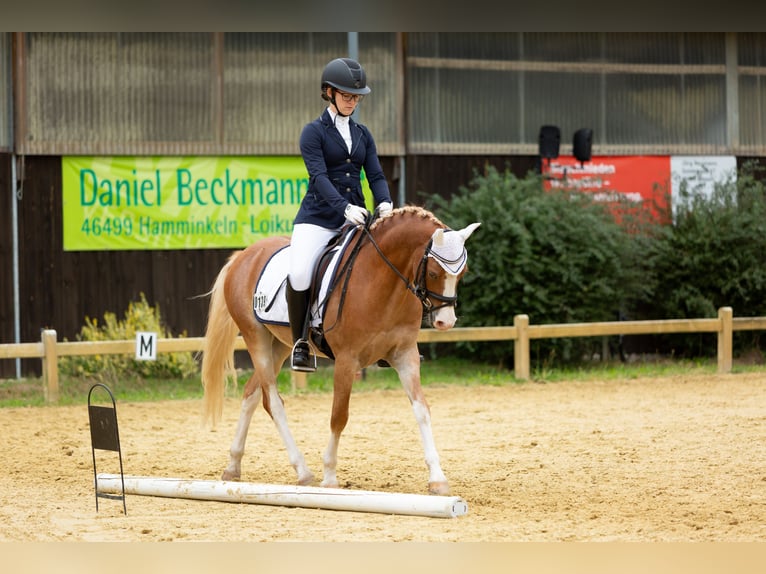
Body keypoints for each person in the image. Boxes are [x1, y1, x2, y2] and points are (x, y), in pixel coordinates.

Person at [286, 57, 393, 372]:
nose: (353, 101)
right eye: (347, 95)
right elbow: (319, 177)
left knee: (383, 267)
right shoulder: (313, 133)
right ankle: (301, 343)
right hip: (318, 218)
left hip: (357, 216)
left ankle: (383, 340)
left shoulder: (363, 135)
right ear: (329, 93)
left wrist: (384, 203)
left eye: (357, 97)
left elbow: (375, 175)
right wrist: (344, 208)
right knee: (301, 273)